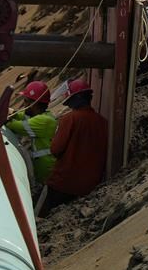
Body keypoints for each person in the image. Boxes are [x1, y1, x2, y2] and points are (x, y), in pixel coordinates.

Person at [39, 78, 109, 217]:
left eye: (70, 101)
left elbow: (56, 149)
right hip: (89, 185)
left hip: (63, 183)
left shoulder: (69, 119)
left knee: (40, 214)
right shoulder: (103, 122)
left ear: (77, 99)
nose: (69, 105)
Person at [6, 80, 57, 189]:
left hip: (48, 175)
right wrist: (13, 112)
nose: (23, 104)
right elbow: (22, 116)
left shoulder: (44, 121)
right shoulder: (42, 116)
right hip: (44, 173)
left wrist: (6, 118)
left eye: (25, 101)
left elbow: (16, 126)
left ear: (33, 103)